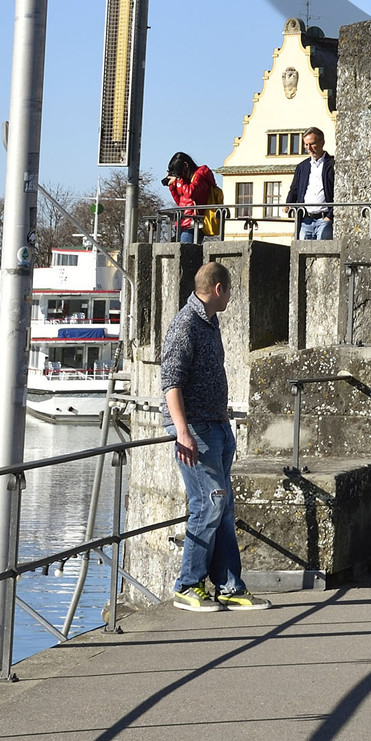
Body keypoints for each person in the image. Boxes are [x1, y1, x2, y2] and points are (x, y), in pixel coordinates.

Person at [160, 258, 269, 612]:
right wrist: (182, 432)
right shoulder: (186, 325)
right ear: (218, 289)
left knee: (222, 507)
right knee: (208, 504)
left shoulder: (209, 322)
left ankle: (229, 586)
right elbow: (171, 382)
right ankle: (188, 585)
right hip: (196, 429)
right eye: (230, 290)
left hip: (215, 425)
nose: (231, 297)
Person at [285, 127, 334, 240]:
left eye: (312, 144)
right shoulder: (302, 167)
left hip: (325, 219)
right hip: (306, 220)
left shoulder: (332, 164)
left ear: (322, 142)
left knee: (324, 250)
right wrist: (288, 203)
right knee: (303, 249)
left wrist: (330, 216)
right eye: (306, 145)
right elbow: (294, 188)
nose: (309, 148)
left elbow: (339, 193)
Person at [164, 152, 221, 244]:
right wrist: (172, 187)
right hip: (182, 222)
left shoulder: (200, 175)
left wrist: (180, 182)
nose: (179, 176)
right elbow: (180, 202)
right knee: (181, 251)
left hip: (193, 224)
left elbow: (190, 193)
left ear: (185, 165)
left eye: (179, 172)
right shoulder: (186, 181)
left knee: (186, 251)